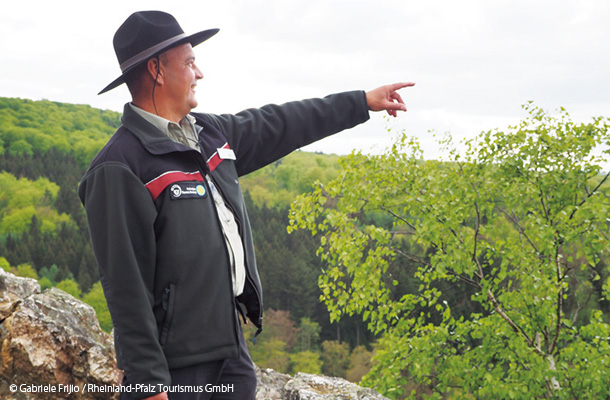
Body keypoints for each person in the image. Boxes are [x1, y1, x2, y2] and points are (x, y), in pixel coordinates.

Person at [78, 10, 414, 400]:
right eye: (189, 62)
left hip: (231, 353)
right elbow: (126, 288)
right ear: (156, 69)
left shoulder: (210, 136)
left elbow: (283, 122)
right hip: (176, 369)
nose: (199, 73)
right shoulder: (119, 167)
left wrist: (360, 103)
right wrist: (148, 383)